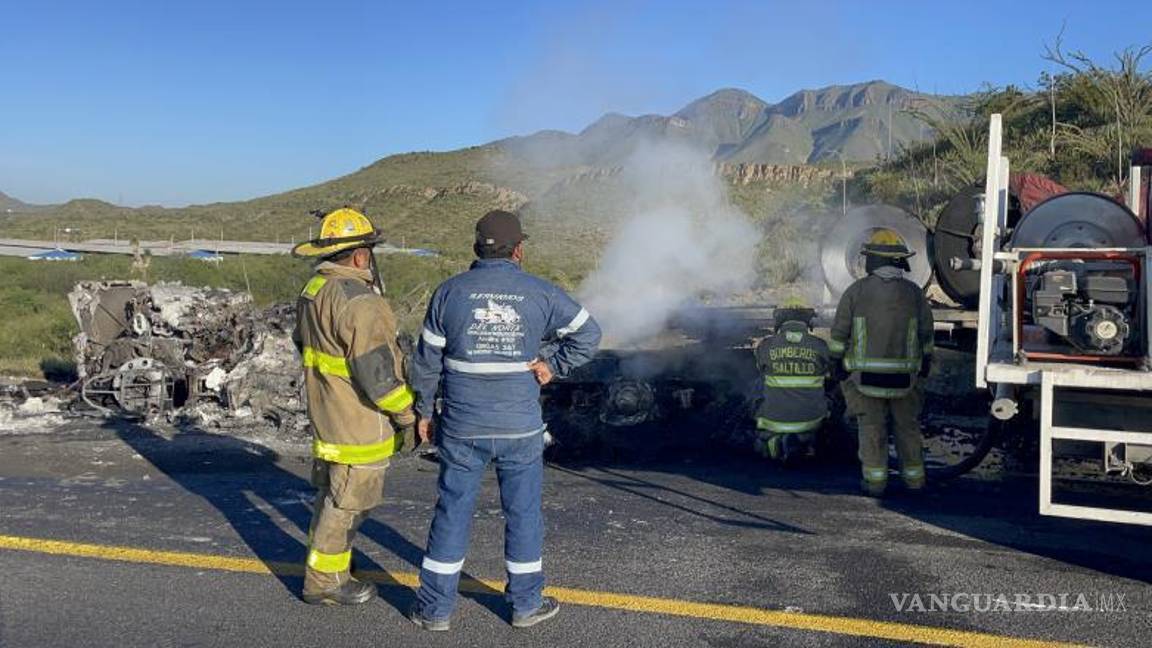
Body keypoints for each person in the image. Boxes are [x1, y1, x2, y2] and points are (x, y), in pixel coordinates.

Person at [408, 210, 601, 631]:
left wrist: (423, 410)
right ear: (518, 250)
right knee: (524, 513)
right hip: (520, 428)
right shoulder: (540, 292)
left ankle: (435, 610)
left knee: (452, 512)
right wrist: (553, 365)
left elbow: (425, 363)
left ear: (477, 248)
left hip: (462, 427)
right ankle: (526, 604)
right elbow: (590, 333)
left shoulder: (449, 292)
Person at [290, 208, 417, 605]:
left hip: (327, 414)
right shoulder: (362, 303)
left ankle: (331, 567)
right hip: (358, 424)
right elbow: (380, 379)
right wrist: (408, 417)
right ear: (361, 257)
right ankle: (325, 582)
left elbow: (304, 345)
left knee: (332, 498)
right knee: (346, 505)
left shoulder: (314, 290)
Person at [828, 230, 934, 497]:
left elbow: (839, 334)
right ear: (900, 262)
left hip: (865, 380)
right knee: (907, 428)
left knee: (871, 430)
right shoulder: (914, 293)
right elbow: (926, 334)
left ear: (872, 261)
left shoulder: (855, 291)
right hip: (906, 380)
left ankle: (875, 483)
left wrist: (836, 363)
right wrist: (926, 361)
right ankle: (915, 481)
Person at [753, 299, 831, 461]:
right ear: (808, 320)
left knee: (757, 387)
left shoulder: (766, 346)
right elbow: (830, 372)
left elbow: (761, 369)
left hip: (773, 419)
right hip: (812, 419)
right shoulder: (820, 345)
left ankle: (774, 442)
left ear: (779, 320)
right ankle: (807, 442)